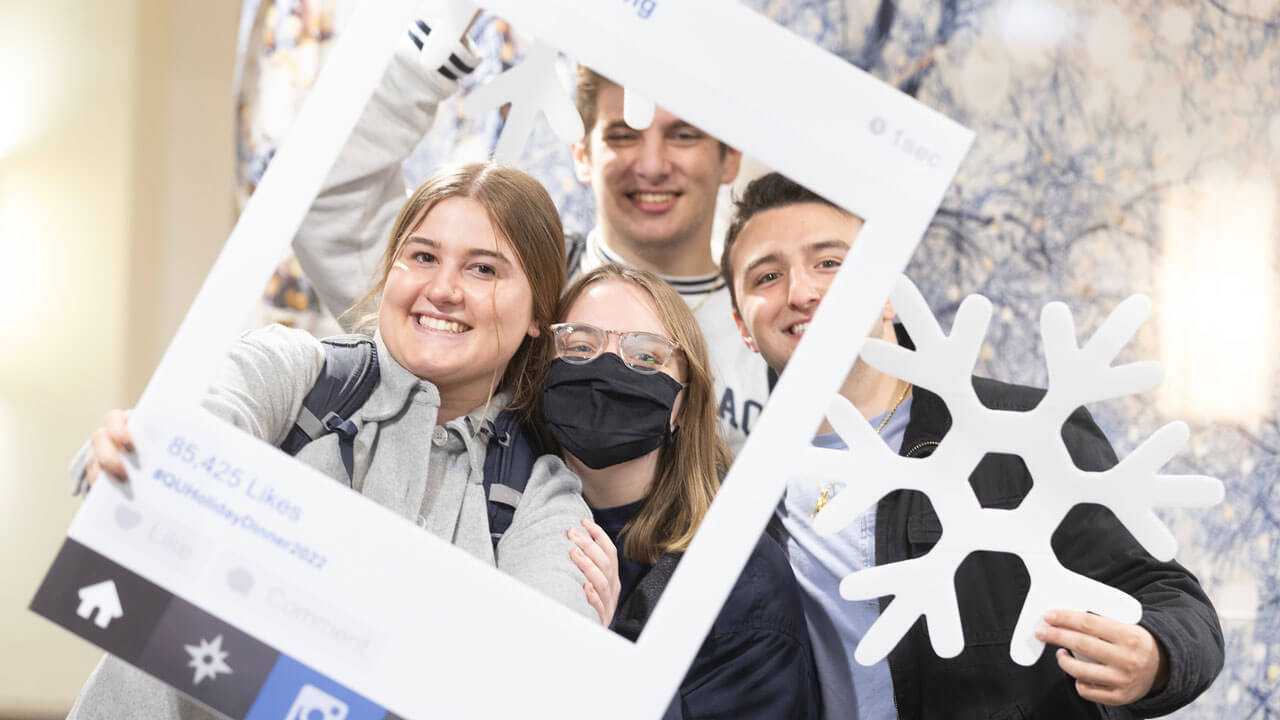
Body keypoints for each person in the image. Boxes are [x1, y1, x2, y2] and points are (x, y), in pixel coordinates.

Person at [67, 163, 599, 719]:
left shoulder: (538, 498)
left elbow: (545, 693)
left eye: (483, 269)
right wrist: (138, 457)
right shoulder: (291, 373)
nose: (442, 289)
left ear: (539, 313)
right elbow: (189, 431)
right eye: (422, 256)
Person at [718, 173, 1224, 719]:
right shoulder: (734, 489)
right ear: (743, 325)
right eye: (768, 275)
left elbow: (1171, 598)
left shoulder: (1021, 431)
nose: (801, 292)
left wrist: (1153, 655)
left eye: (830, 263)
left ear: (888, 290)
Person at [291, 18, 771, 453]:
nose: (649, 165)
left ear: (729, 156)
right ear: (581, 154)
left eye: (683, 135)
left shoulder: (771, 332)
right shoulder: (498, 285)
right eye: (622, 136)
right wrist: (440, 36)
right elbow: (324, 200)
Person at [554, 264, 819, 719]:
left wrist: (606, 650)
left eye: (645, 357)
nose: (607, 367)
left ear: (682, 403)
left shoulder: (740, 578)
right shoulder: (497, 512)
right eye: (581, 346)